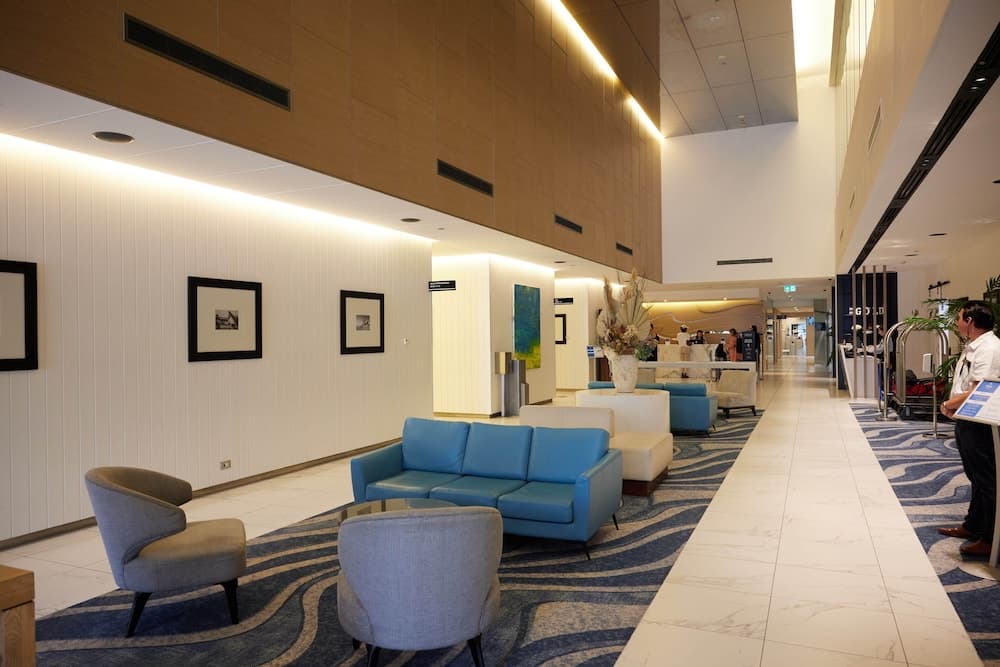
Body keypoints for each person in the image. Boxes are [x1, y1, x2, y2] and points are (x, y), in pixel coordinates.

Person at [938, 301, 1000, 558]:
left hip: (981, 424)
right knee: (975, 475)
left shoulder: (990, 348)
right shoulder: (975, 346)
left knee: (987, 479)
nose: (957, 323)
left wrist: (948, 405)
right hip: (967, 418)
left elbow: (979, 390)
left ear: (970, 321)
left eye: (959, 318)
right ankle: (973, 524)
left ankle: (990, 538)